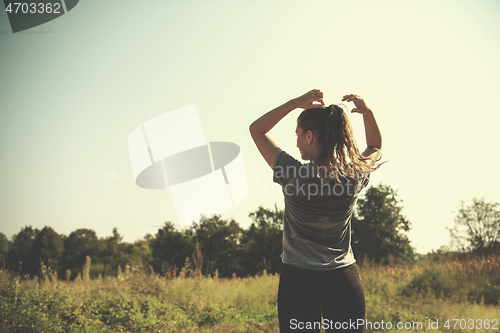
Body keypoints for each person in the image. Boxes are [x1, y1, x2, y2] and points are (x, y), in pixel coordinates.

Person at [249, 89, 383, 332]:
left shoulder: (293, 174)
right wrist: (368, 113)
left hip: (297, 281)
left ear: (309, 136)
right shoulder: (352, 176)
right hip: (343, 280)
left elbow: (257, 129)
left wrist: (293, 103)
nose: (296, 141)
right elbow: (374, 146)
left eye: (298, 134)